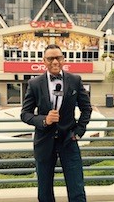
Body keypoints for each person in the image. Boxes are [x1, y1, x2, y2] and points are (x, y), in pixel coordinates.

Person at [21, 44, 92, 202]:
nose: (55, 62)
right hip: (44, 142)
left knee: (77, 189)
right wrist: (44, 120)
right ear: (44, 61)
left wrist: (78, 132)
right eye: (50, 58)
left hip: (69, 140)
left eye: (58, 58)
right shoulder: (34, 84)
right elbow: (25, 114)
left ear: (63, 59)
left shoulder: (75, 80)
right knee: (44, 192)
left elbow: (86, 109)